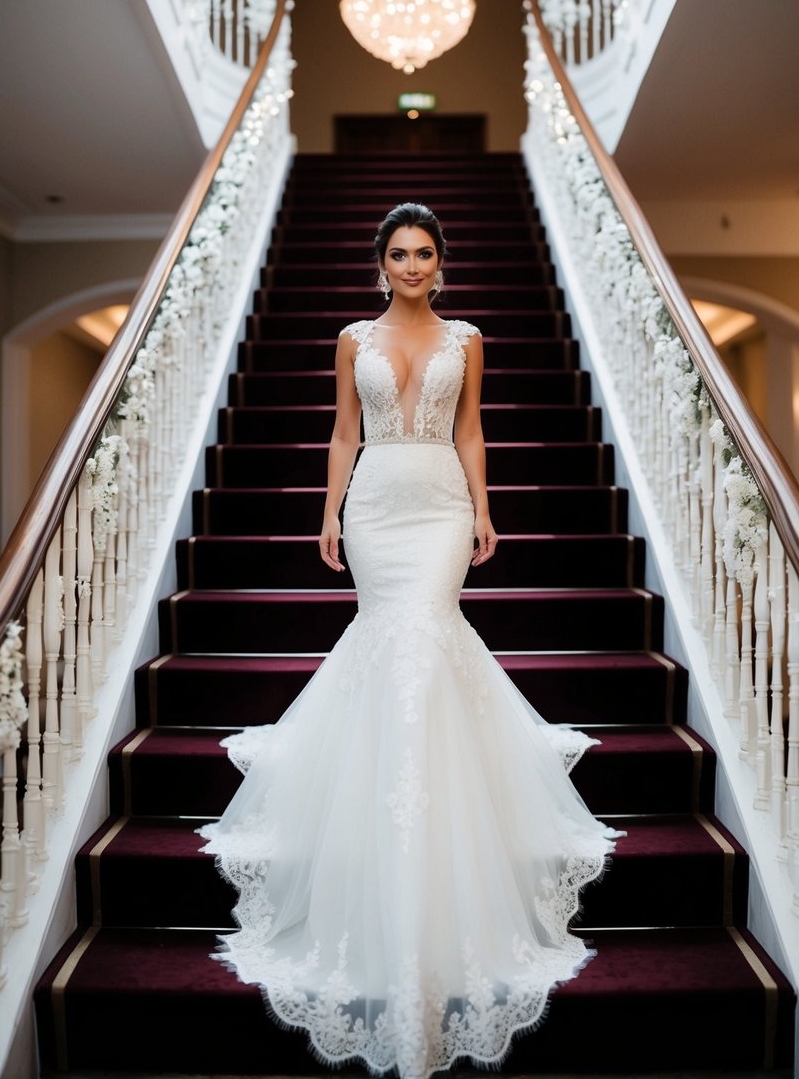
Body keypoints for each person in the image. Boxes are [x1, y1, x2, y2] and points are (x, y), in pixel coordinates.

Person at [198, 203, 623, 1079]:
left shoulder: (467, 338)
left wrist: (485, 506)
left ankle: (435, 827)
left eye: (425, 252)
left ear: (442, 261)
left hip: (438, 503)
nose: (412, 265)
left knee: (425, 641)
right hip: (375, 504)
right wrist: (327, 511)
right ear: (379, 262)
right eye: (399, 253)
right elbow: (345, 432)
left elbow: (469, 428)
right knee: (389, 644)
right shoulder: (352, 339)